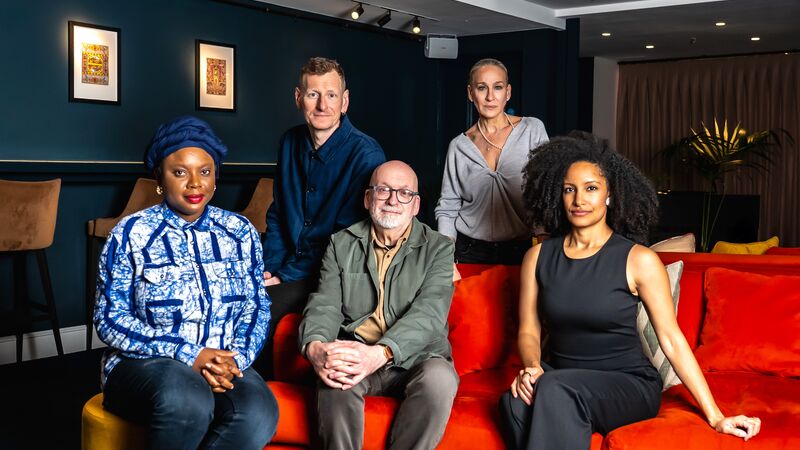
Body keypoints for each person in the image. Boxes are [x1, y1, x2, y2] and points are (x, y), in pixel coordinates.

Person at [498, 132, 762, 449]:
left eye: (591, 188)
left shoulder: (639, 260)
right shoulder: (537, 257)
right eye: (569, 189)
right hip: (564, 379)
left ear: (610, 194)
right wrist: (532, 367)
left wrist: (716, 415)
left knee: (554, 389)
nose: (579, 200)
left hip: (627, 385)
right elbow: (528, 330)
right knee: (514, 401)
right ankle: (569, 419)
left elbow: (671, 339)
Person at [94, 116, 278, 449]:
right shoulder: (131, 234)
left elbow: (256, 307)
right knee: (188, 400)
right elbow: (109, 319)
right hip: (144, 364)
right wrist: (189, 354)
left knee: (258, 411)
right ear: (159, 179)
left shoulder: (240, 232)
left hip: (223, 360)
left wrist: (235, 359)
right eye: (180, 172)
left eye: (205, 171)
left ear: (216, 177)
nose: (195, 183)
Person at [299, 160, 458, 450]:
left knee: (440, 380)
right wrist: (315, 345)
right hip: (357, 349)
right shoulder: (341, 244)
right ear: (368, 198)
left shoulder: (439, 248)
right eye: (383, 190)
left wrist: (382, 352)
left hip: (419, 358)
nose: (393, 201)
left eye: (404, 193)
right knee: (335, 375)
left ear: (416, 205)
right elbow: (325, 303)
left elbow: (429, 314)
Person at [263, 56, 386, 358]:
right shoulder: (289, 142)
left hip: (334, 273)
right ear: (298, 98)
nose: (322, 105)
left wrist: (284, 277)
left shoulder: (366, 154)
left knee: (260, 310)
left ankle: (252, 386)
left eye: (331, 95)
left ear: (345, 101)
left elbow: (344, 239)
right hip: (288, 266)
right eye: (312, 94)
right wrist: (269, 268)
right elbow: (278, 216)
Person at [435, 58, 549, 266]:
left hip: (520, 250)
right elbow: (448, 206)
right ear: (470, 93)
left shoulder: (531, 130)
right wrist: (444, 255)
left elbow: (545, 190)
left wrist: (544, 238)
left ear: (508, 92)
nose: (490, 97)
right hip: (469, 250)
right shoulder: (459, 146)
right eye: (481, 88)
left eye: (497, 87)